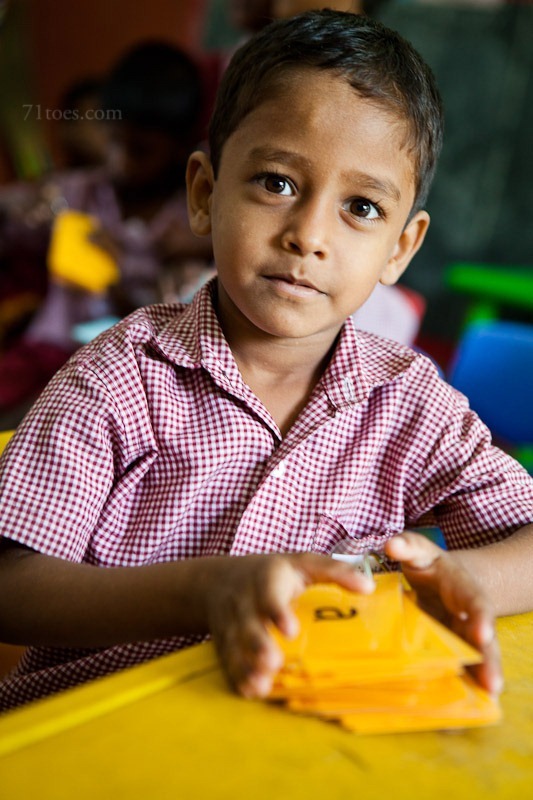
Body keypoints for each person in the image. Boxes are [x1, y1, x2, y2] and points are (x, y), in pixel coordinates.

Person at [0, 9, 532, 714]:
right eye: (277, 183)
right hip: (93, 730)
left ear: (400, 249)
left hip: (297, 739)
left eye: (361, 207)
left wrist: (468, 578)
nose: (308, 235)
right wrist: (205, 591)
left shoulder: (409, 404)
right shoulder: (120, 376)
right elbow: (11, 585)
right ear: (204, 193)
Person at [0, 41, 214, 425]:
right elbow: (12, 214)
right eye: (114, 141)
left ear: (181, 148)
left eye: (140, 150)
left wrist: (120, 281)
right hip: (44, 351)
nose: (120, 162)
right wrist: (23, 212)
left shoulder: (191, 224)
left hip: (120, 375)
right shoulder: (77, 193)